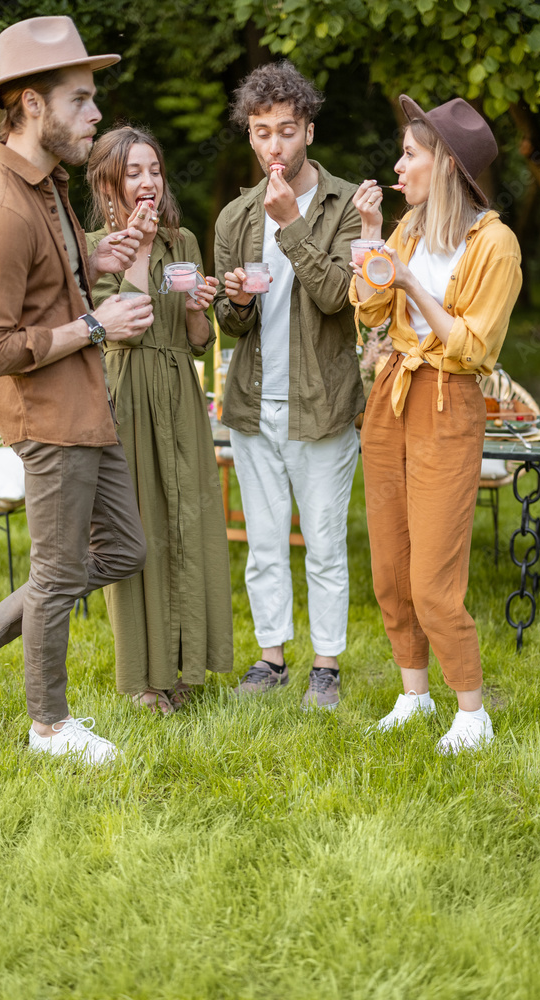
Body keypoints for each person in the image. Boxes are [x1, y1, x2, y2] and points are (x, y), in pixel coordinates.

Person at [0, 17, 153, 763]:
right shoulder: (0, 211)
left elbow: (55, 285)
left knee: (122, 549)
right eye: (81, 100)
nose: (96, 115)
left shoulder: (46, 186)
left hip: (84, 403)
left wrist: (99, 258)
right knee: (58, 571)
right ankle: (49, 727)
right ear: (33, 105)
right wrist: (96, 327)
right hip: (46, 415)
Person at [350, 95, 522, 753]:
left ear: (445, 164)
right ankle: (414, 694)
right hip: (391, 395)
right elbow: (369, 312)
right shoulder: (408, 230)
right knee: (391, 566)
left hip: (448, 401)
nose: (398, 166)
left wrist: (414, 287)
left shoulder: (495, 244)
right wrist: (370, 239)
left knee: (433, 578)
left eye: (410, 154)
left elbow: (473, 347)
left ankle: (471, 712)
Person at [214, 61, 365, 710]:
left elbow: (341, 297)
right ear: (250, 136)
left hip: (322, 407)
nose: (273, 146)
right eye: (260, 133)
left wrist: (291, 226)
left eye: (285, 131)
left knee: (326, 543)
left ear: (307, 129)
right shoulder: (234, 218)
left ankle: (325, 666)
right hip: (253, 405)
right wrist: (234, 301)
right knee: (264, 544)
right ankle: (271, 657)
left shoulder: (347, 206)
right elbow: (229, 324)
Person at [85, 126, 233, 712]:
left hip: (178, 390)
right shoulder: (94, 245)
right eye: (133, 172)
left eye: (154, 170)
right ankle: (144, 680)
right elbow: (129, 319)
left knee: (188, 524)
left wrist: (200, 311)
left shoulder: (187, 240)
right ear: (110, 183)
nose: (147, 182)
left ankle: (186, 666)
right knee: (140, 529)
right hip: (126, 392)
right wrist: (139, 248)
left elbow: (197, 340)